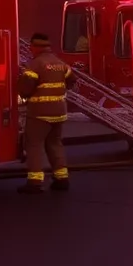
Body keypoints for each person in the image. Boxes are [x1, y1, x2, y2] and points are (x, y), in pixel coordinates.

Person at [16, 33, 77, 194]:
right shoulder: (59, 63)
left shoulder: (36, 64)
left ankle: (35, 181)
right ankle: (62, 178)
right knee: (55, 143)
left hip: (39, 113)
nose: (30, 49)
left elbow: (25, 89)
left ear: (35, 46)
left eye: (31, 46)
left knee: (34, 145)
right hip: (59, 112)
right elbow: (72, 80)